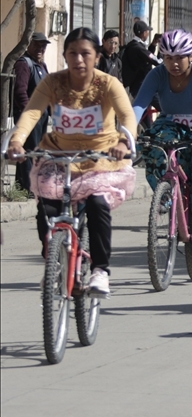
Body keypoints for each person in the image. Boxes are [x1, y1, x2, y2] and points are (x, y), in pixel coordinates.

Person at [6, 28, 137, 297]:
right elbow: (32, 112)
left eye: (85, 53)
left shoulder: (108, 84)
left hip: (99, 160)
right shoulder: (52, 82)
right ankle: (54, 262)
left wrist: (124, 143)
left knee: (98, 204)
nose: (78, 59)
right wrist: (17, 140)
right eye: (72, 53)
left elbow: (127, 117)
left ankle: (101, 270)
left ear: (97, 57)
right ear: (64, 56)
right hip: (59, 156)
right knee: (47, 210)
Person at [133, 29, 192, 268]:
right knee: (152, 145)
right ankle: (165, 193)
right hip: (172, 126)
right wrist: (128, 129)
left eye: (180, 58)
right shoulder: (157, 75)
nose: (174, 64)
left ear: (190, 56)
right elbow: (139, 103)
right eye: (168, 58)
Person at [12, 32, 51, 194]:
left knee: (36, 151)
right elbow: (20, 92)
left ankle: (26, 186)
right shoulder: (24, 64)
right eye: (37, 45)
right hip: (29, 117)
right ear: (29, 45)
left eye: (43, 46)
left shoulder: (41, 65)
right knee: (28, 151)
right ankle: (28, 188)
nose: (40, 49)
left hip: (42, 116)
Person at [121, 20, 158, 98]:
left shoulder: (136, 45)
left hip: (140, 85)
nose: (148, 34)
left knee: (144, 109)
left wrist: (154, 43)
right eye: (147, 31)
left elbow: (147, 55)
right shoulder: (137, 47)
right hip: (140, 86)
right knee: (161, 104)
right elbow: (154, 59)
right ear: (144, 33)